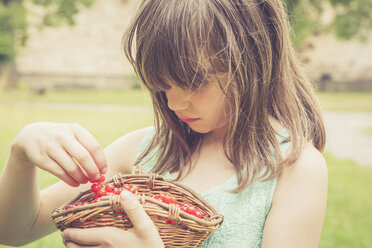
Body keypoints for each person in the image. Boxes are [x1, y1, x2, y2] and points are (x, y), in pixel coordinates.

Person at [0, 0, 328, 247]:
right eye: (162, 86)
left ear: (253, 59)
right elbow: (14, 230)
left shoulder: (294, 169)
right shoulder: (144, 151)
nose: (174, 104)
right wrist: (22, 154)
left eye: (195, 82)